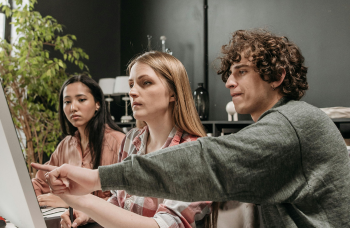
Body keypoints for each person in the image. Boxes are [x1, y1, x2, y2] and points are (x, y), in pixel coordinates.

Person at [34, 29, 350, 227]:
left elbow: (204, 162)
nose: (229, 81)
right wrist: (95, 207)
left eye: (241, 72)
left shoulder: (291, 125)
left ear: (277, 75)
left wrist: (92, 184)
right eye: (229, 73)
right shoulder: (281, 124)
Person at [34, 51, 216, 228]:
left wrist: (83, 201)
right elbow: (119, 201)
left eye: (146, 83)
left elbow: (165, 225)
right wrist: (88, 214)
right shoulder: (131, 140)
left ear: (173, 93)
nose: (133, 92)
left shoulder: (194, 153)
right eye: (131, 84)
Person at [31, 75, 125, 215]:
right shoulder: (65, 145)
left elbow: (126, 201)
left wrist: (70, 201)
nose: (73, 107)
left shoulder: (119, 143)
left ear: (97, 104)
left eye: (81, 100)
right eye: (67, 102)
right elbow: (40, 183)